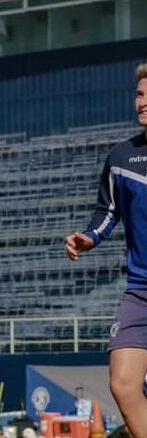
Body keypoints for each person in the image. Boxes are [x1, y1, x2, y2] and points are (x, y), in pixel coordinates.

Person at [65, 63, 147, 437]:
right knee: (123, 384)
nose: (142, 102)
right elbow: (108, 211)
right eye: (139, 94)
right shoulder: (120, 158)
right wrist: (89, 237)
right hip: (140, 291)